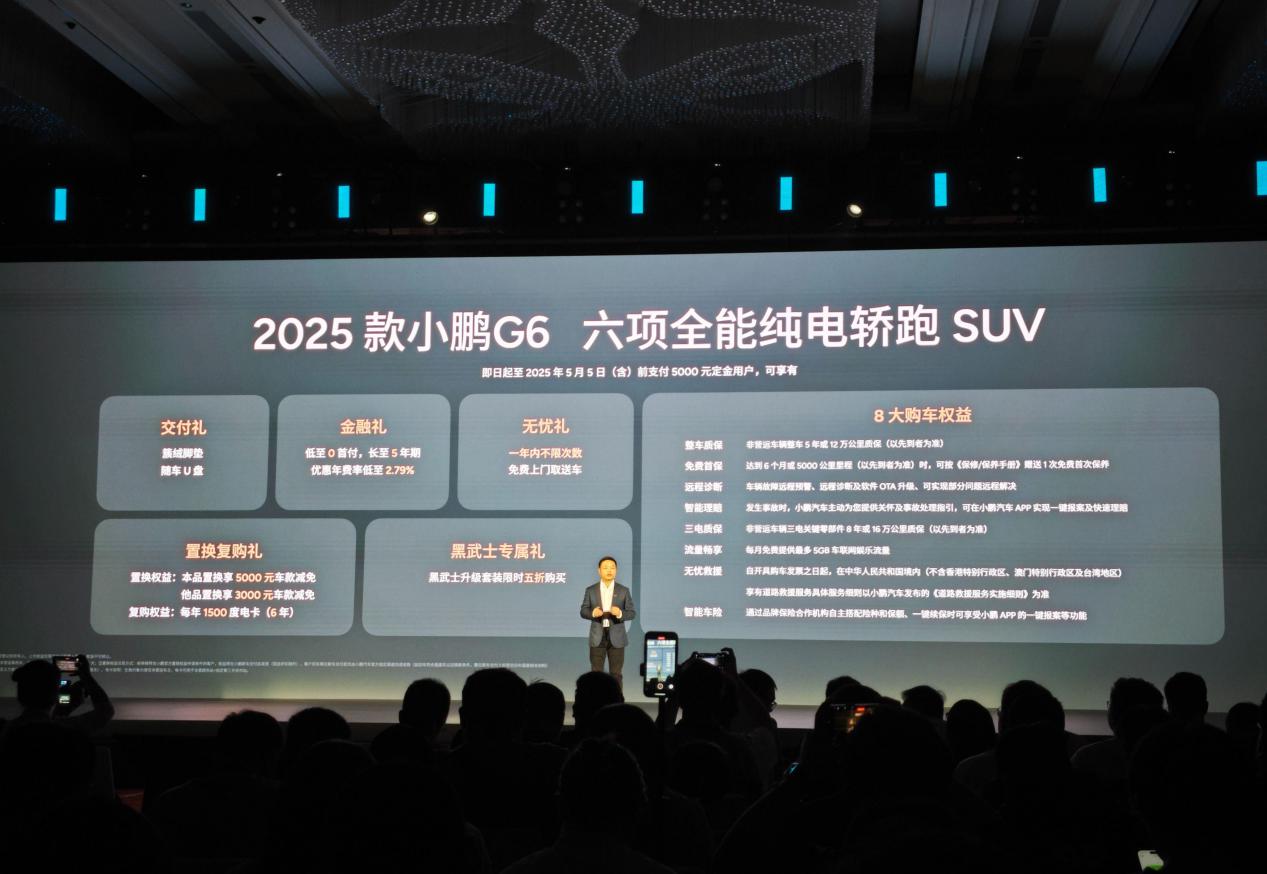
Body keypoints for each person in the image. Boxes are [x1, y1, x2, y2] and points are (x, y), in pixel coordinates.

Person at [7, 654, 114, 734]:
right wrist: (86, 676)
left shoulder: (8, 729)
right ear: (55, 695)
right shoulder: (64, 728)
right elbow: (105, 712)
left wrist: (64, 710)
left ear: (20, 695)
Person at [579, 555, 636, 692]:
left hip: (617, 637)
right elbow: (583, 611)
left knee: (616, 675)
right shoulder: (591, 590)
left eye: (612, 567)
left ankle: (617, 701)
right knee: (595, 674)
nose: (609, 570)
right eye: (605, 567)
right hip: (597, 636)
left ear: (616, 570)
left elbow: (632, 613)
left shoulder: (623, 590)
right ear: (599, 571)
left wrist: (620, 613)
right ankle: (595, 701)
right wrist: (593, 613)